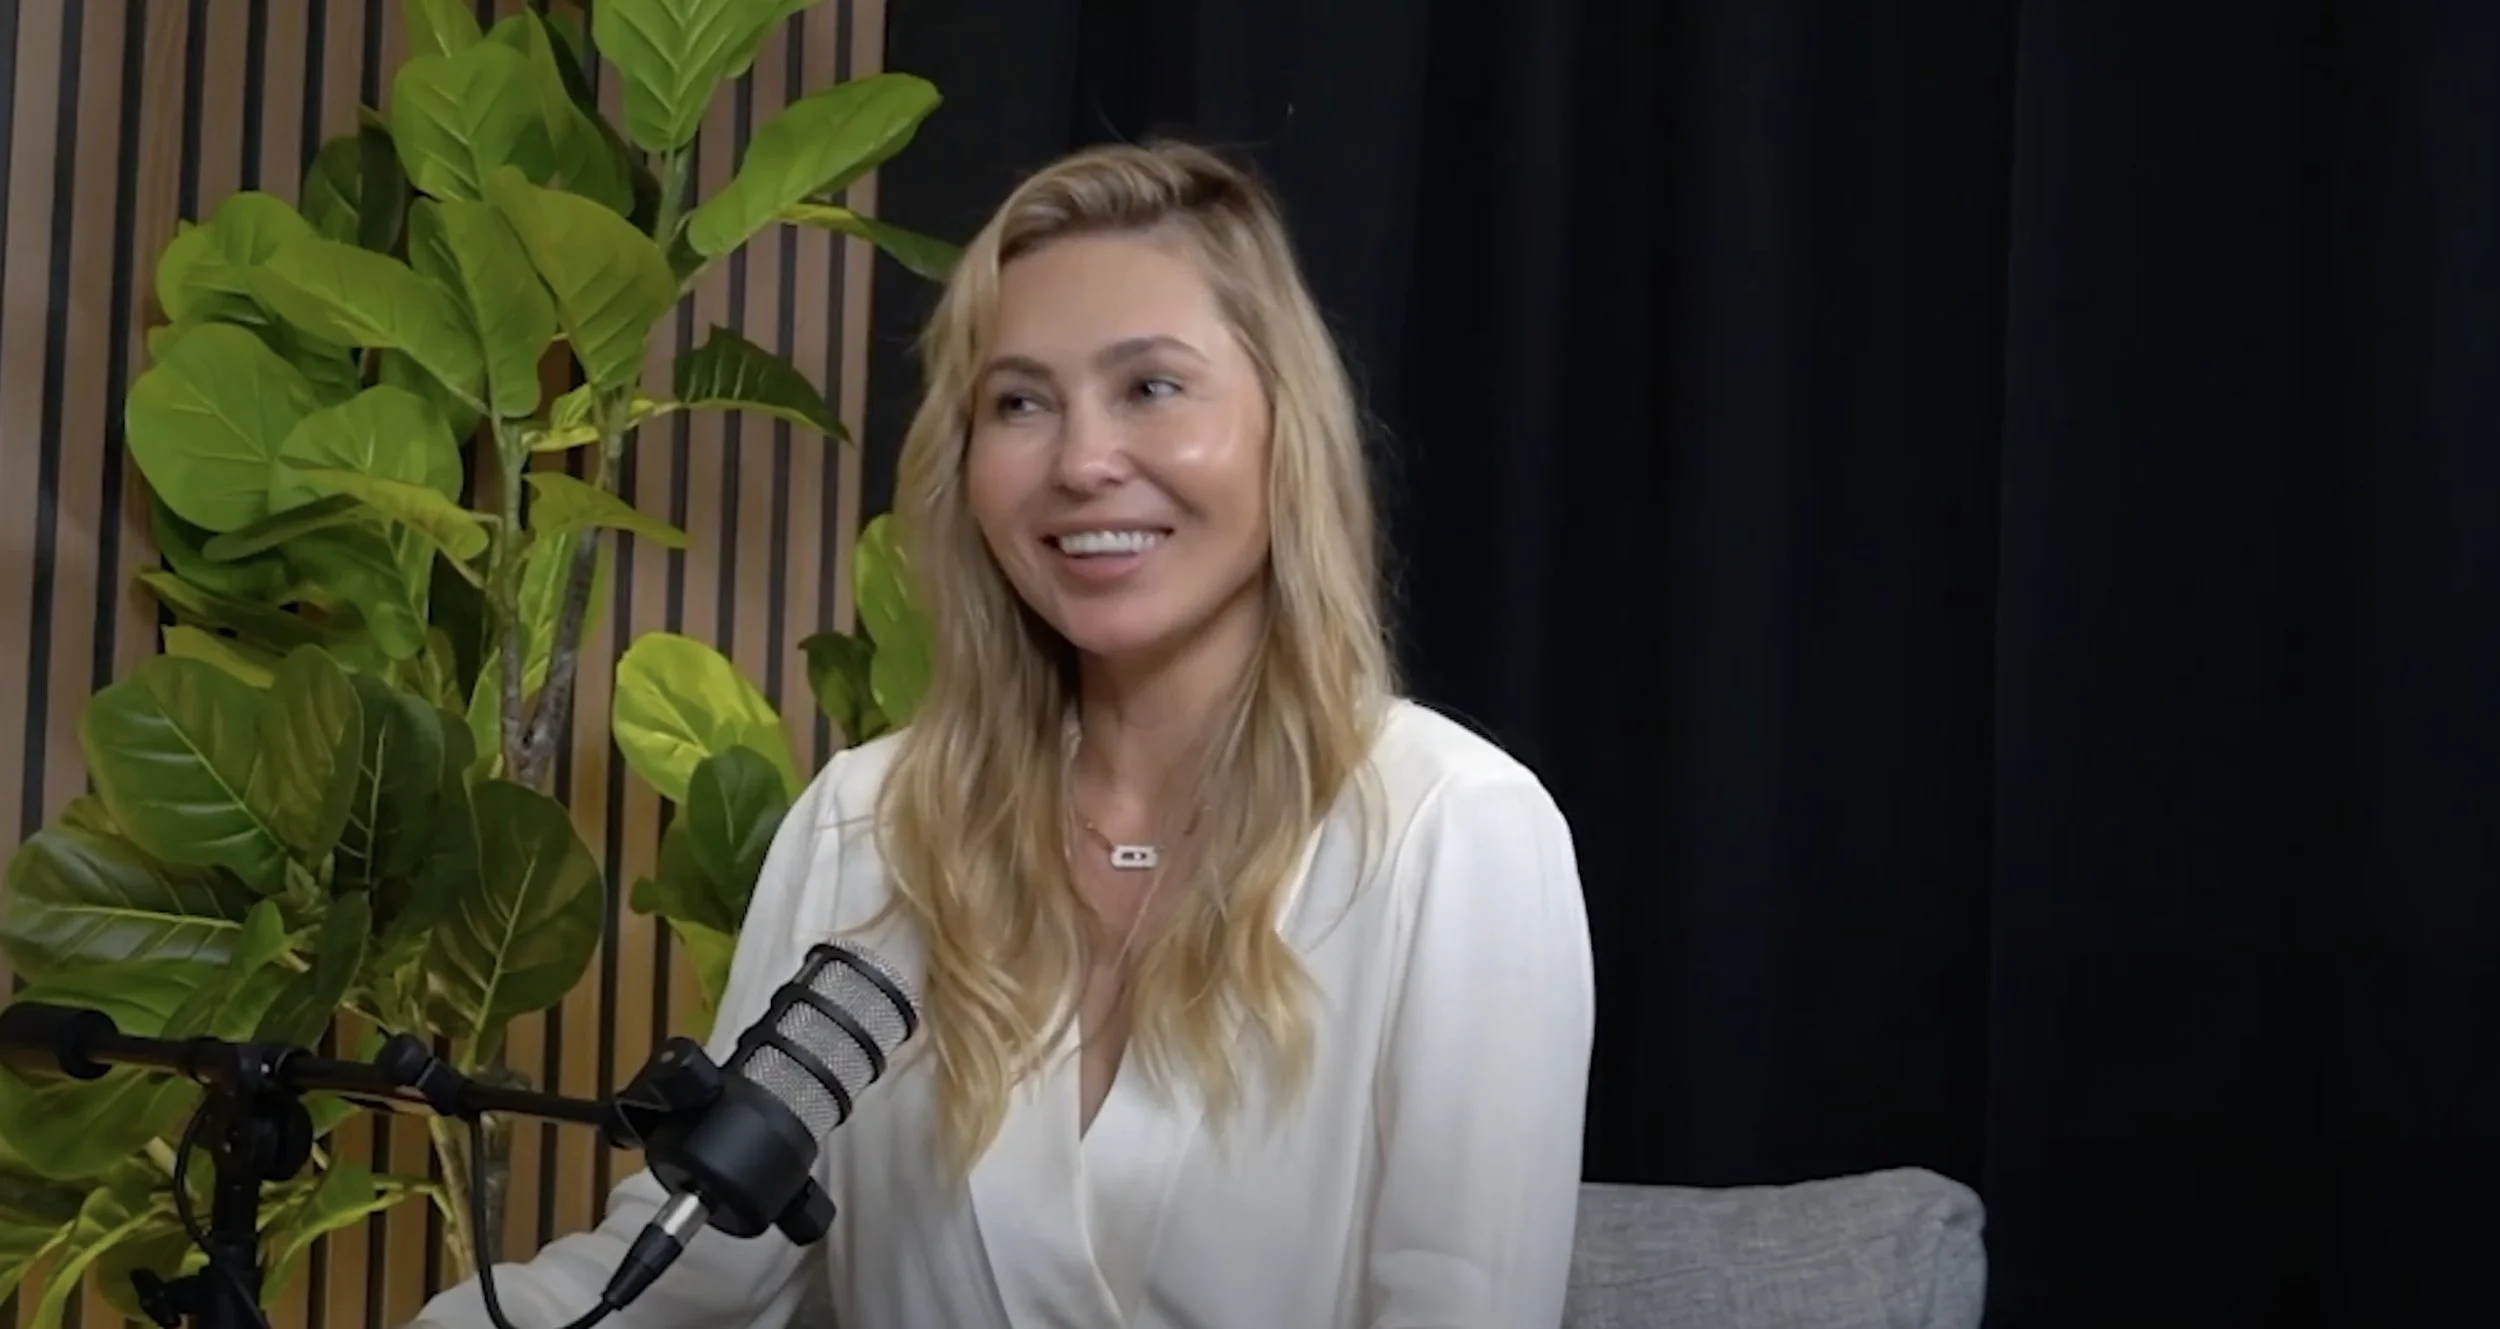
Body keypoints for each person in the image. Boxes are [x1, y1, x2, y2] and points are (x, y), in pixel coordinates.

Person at [409, 140, 1595, 1329]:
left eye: (1151, 388)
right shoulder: (867, 828)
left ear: (1285, 431)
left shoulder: (1456, 834)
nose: (1081, 463)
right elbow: (694, 1269)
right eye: (1019, 403)